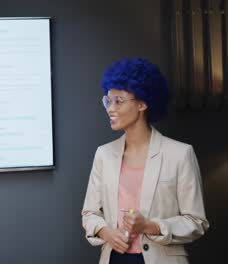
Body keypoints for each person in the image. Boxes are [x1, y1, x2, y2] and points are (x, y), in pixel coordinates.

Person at [81, 58, 209, 264]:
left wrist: (150, 226)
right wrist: (106, 233)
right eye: (108, 100)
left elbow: (196, 222)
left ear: (143, 103)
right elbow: (89, 213)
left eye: (118, 101)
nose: (109, 109)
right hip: (114, 258)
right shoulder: (103, 154)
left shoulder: (180, 154)